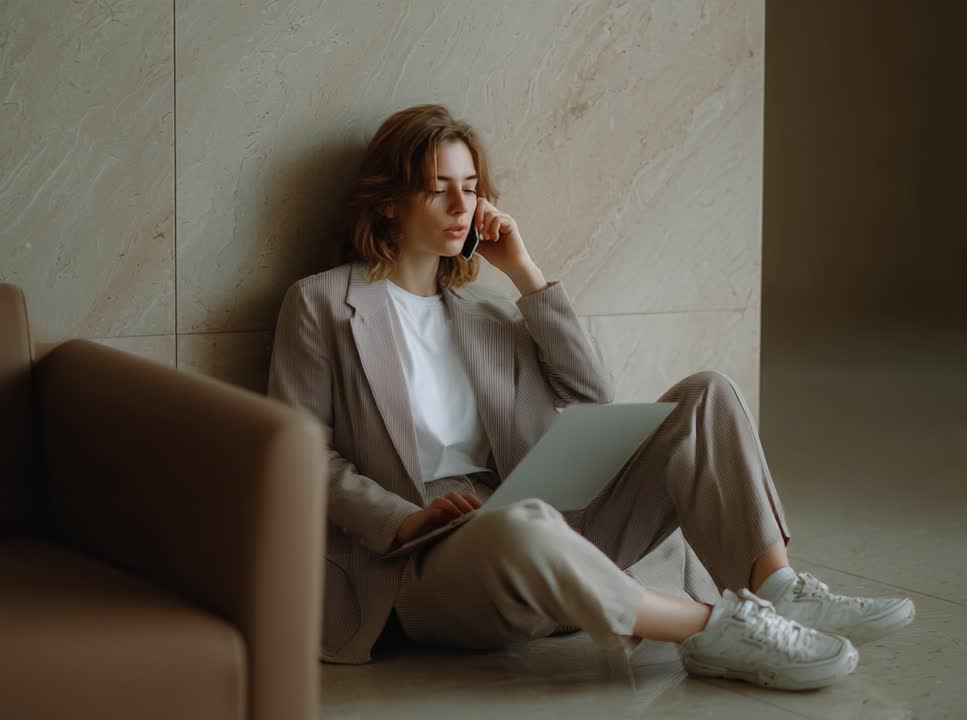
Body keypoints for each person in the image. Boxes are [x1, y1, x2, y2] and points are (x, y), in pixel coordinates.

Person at [267, 104, 915, 691]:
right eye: (439, 188)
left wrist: (524, 274)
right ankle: (714, 630)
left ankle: (775, 586)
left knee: (707, 395)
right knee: (521, 525)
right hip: (425, 561)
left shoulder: (487, 315)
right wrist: (402, 521)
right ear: (388, 202)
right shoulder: (322, 303)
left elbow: (591, 398)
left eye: (471, 187)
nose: (461, 204)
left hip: (535, 516)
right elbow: (304, 457)